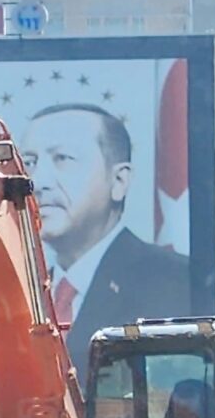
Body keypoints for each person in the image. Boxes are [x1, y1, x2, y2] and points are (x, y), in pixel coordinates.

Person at [20, 103, 192, 363]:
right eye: (30, 162)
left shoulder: (173, 280)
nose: (38, 181)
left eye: (63, 158)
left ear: (119, 181)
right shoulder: (19, 294)